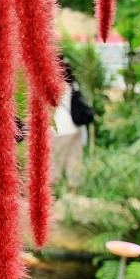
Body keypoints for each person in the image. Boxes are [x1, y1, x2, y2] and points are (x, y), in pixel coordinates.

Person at [52, 58, 83, 188]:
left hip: (61, 129)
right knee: (74, 161)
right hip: (76, 128)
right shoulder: (73, 84)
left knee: (55, 162)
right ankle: (73, 192)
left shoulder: (55, 85)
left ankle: (53, 192)